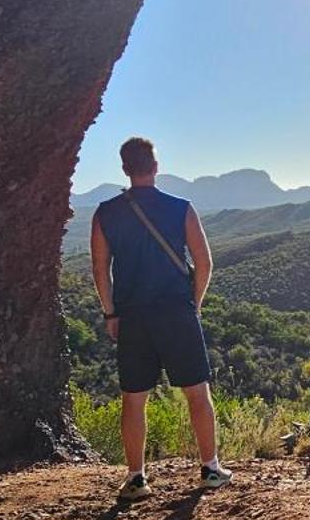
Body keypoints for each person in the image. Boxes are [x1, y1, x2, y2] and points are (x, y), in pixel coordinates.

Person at [89, 136, 231, 499]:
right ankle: (210, 468)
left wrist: (110, 313)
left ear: (124, 169)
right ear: (155, 167)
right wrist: (193, 305)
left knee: (133, 399)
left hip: (133, 316)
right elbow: (204, 263)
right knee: (197, 393)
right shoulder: (181, 207)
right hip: (175, 312)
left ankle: (136, 478)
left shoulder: (105, 213)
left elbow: (100, 269)